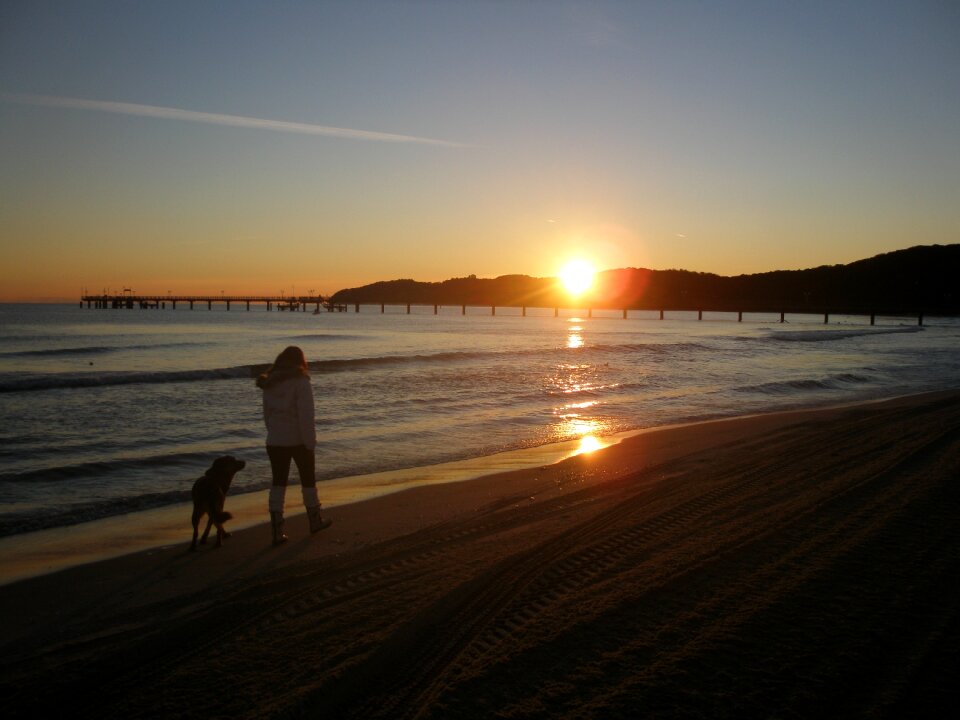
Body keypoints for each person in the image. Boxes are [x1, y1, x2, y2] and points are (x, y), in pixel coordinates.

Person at [256, 346, 332, 545]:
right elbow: (306, 416)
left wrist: (273, 433)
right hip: (298, 440)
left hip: (274, 440)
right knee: (308, 481)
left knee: (278, 483)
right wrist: (310, 442)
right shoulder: (301, 382)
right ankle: (314, 520)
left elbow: (267, 414)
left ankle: (277, 530)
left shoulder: (269, 383)